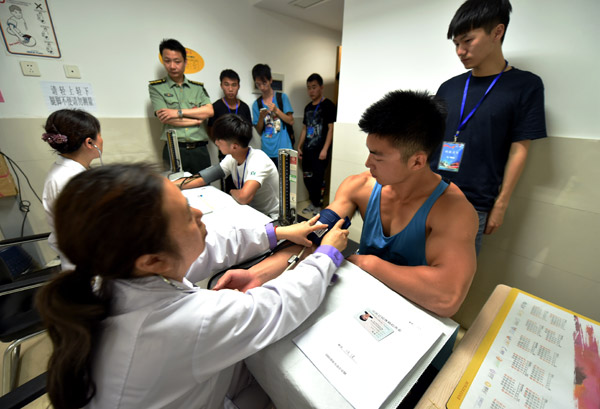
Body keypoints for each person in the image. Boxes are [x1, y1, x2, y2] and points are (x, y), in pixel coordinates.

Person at [37, 163, 348, 409]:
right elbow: (279, 305)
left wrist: (276, 232)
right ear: (152, 259)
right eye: (186, 214)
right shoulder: (181, 323)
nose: (199, 212)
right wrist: (327, 255)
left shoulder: (118, 274)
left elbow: (209, 248)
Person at [327, 90, 478, 319]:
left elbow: (447, 297)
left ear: (417, 161)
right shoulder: (359, 187)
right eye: (369, 152)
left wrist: (369, 264)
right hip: (359, 303)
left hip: (411, 316)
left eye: (378, 157)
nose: (368, 163)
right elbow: (317, 232)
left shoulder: (453, 211)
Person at [429, 0, 547, 254]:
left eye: (467, 41)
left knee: (451, 284)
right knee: (405, 267)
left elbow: (520, 149)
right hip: (425, 192)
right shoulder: (448, 87)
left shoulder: (525, 85)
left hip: (473, 203)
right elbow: (428, 139)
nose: (460, 51)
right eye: (456, 44)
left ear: (497, 32)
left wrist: (501, 204)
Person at [178, 114, 280, 219]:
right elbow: (203, 178)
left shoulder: (258, 160)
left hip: (271, 217)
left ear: (234, 146)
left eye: (219, 140)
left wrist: (232, 191)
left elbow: (244, 197)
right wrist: (170, 185)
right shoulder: (232, 158)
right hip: (252, 212)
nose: (216, 142)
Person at [41, 109, 103, 270]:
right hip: (91, 266)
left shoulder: (67, 170)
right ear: (90, 143)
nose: (102, 139)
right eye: (100, 134)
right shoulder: (71, 180)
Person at [149, 38, 214, 175]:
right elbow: (165, 118)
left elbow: (209, 111)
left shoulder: (197, 88)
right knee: (175, 191)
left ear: (185, 62)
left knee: (204, 190)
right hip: (174, 149)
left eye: (177, 61)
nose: (172, 66)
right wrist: (196, 119)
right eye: (167, 61)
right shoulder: (156, 88)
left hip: (200, 150)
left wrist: (177, 112)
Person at [297, 73, 337, 215]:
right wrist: (299, 146)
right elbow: (304, 128)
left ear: (321, 87)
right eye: (309, 88)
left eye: (314, 87)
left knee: (318, 179)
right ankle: (313, 203)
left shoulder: (329, 106)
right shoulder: (307, 107)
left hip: (320, 151)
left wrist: (325, 149)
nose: (311, 91)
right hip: (307, 150)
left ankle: (318, 206)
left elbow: (331, 129)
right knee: (307, 178)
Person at [208, 69, 253, 193]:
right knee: (227, 187)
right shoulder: (216, 107)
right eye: (226, 84)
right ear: (221, 85)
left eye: (234, 85)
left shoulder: (244, 107)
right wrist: (221, 144)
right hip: (225, 154)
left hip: (243, 155)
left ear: (238, 86)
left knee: (245, 186)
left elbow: (249, 130)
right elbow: (211, 129)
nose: (230, 89)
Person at [251, 63, 294, 166]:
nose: (262, 87)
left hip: (284, 148)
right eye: (258, 84)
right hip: (267, 150)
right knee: (270, 182)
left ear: (271, 80)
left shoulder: (282, 98)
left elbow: (291, 121)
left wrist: (277, 110)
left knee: (285, 181)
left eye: (264, 83)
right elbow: (259, 130)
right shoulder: (256, 104)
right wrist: (261, 117)